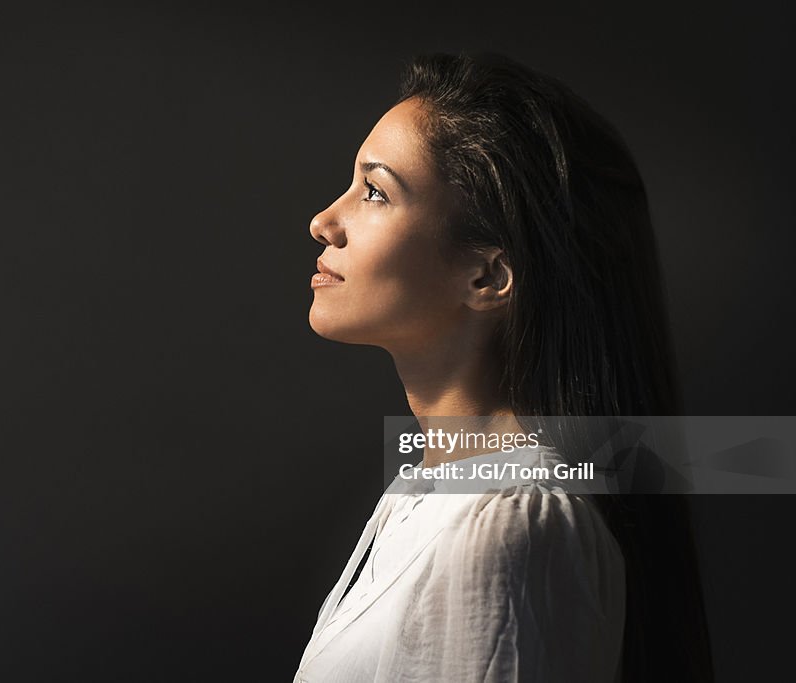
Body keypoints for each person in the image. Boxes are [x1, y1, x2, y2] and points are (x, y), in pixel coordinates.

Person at [294, 53, 713, 682]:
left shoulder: (511, 528)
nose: (324, 221)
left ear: (488, 274)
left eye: (375, 192)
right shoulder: (423, 502)